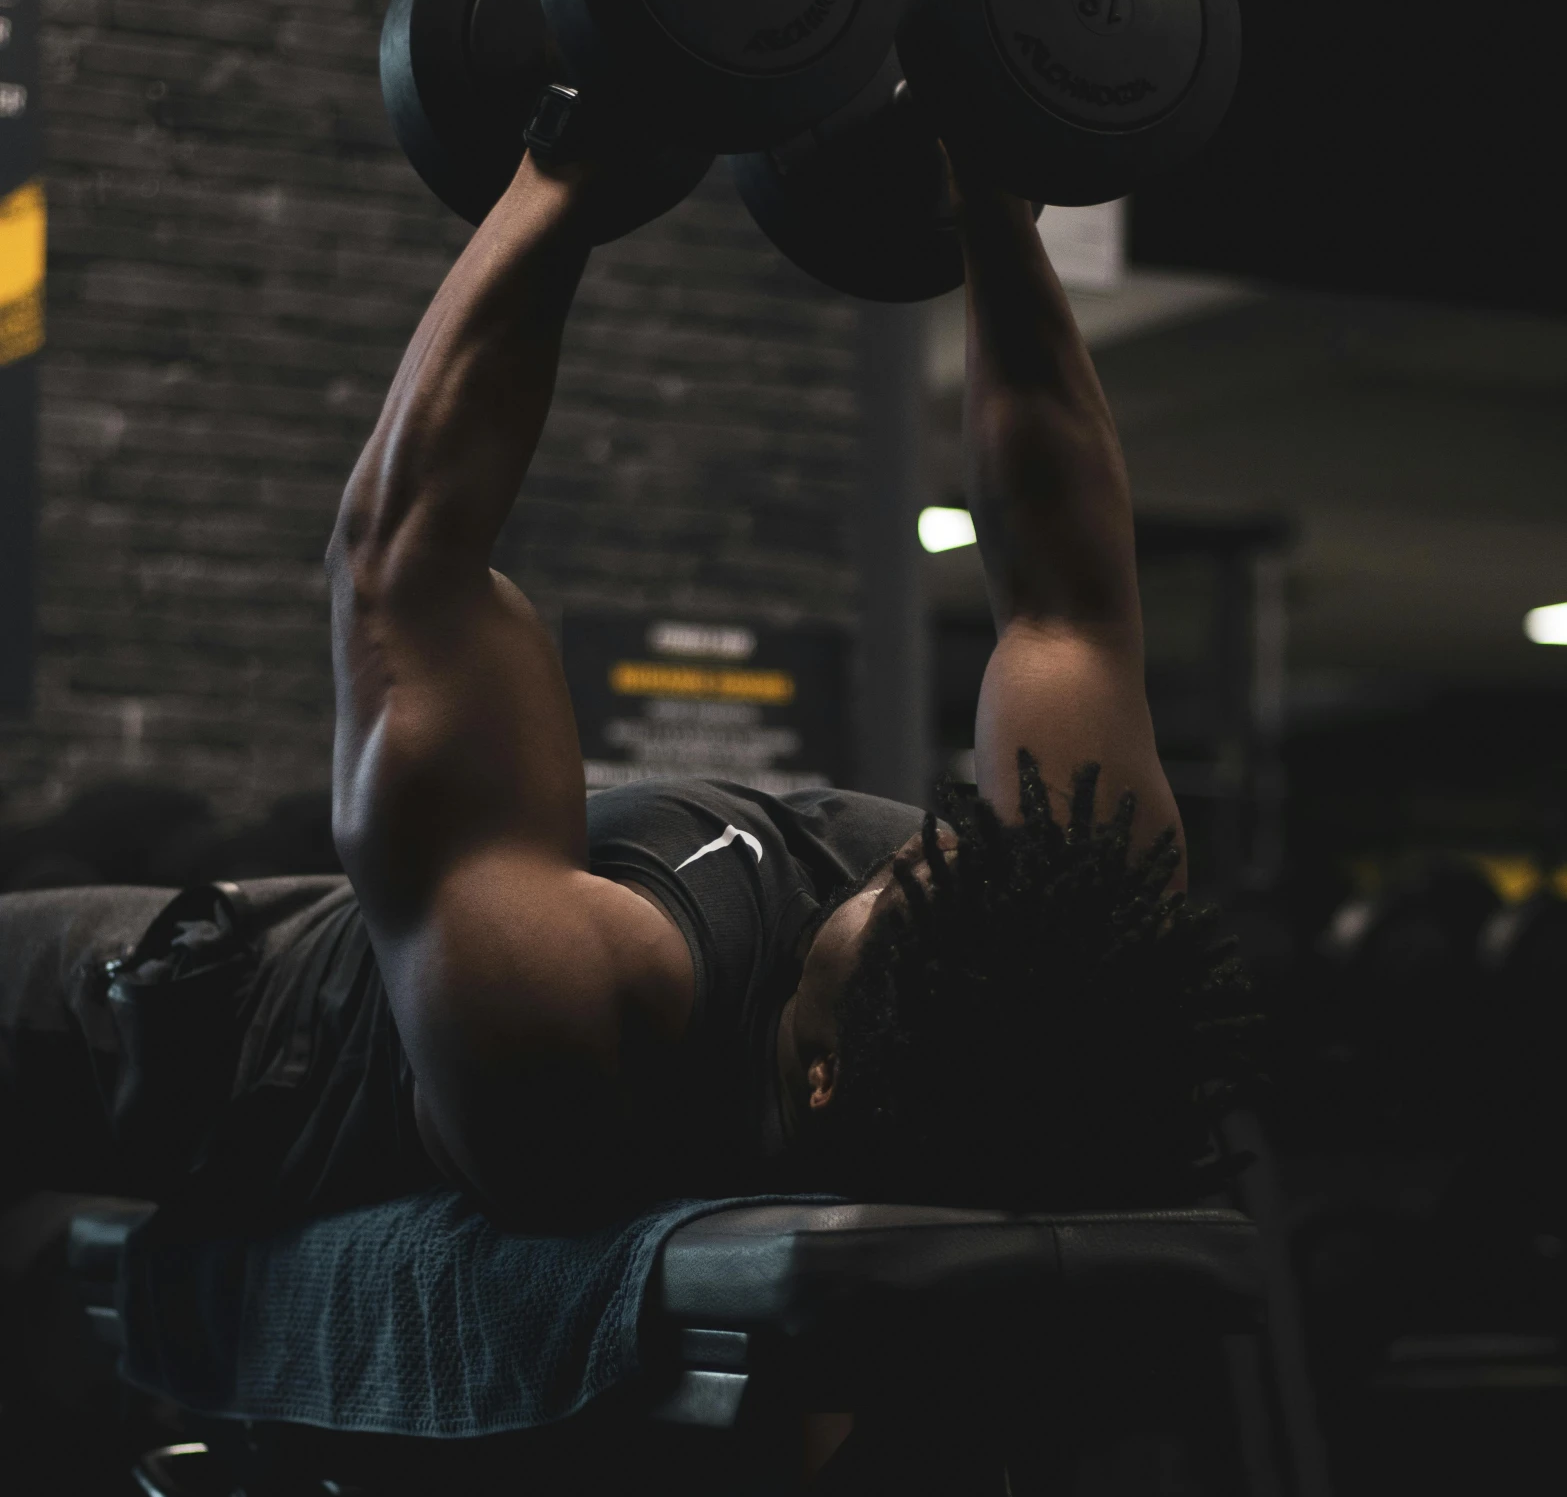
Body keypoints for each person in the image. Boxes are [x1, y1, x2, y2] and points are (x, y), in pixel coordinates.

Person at [0, 141, 1250, 1237]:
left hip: (200, 1033)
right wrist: (995, 206)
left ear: (822, 1080)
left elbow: (404, 565)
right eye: (966, 857)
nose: (935, 852)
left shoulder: (572, 1016)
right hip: (381, 920)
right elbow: (1067, 596)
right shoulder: (1064, 943)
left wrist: (563, 167)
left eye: (910, 900)